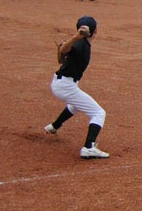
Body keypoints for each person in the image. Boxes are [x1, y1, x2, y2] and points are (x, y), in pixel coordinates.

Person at [44, 15, 109, 159]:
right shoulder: (80, 43)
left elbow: (63, 53)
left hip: (62, 83)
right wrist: (75, 37)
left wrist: (76, 38)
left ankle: (54, 126)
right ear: (95, 30)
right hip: (65, 86)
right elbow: (63, 50)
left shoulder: (82, 43)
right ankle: (88, 147)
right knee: (99, 113)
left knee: (75, 105)